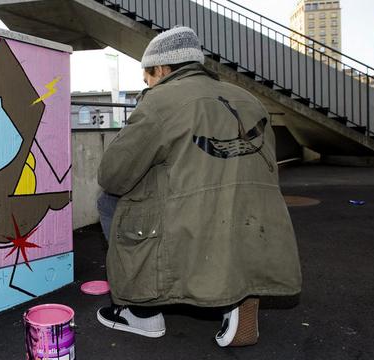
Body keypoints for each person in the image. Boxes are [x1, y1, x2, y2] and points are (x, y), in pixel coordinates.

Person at [95, 26, 301, 347]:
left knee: (109, 201)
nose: (146, 82)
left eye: (147, 74)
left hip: (190, 216)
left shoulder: (160, 101)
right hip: (253, 216)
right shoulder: (249, 100)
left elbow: (113, 175)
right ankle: (237, 296)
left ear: (161, 68)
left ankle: (140, 310)